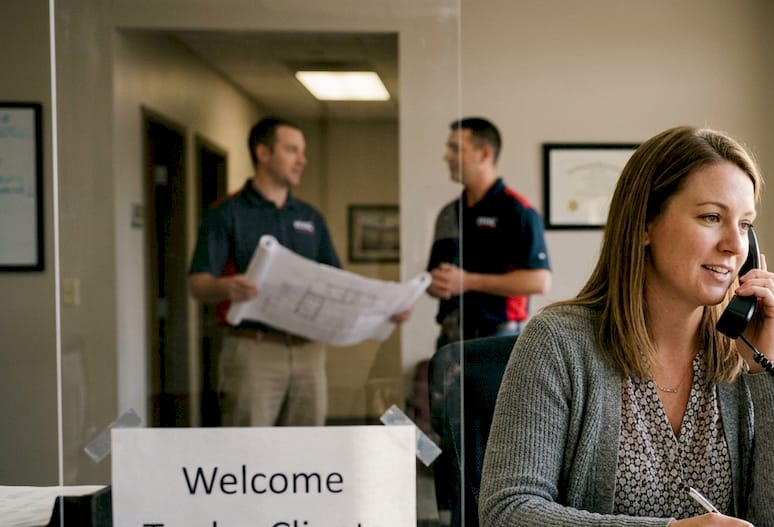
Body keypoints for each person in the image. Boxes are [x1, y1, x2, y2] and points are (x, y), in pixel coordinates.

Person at [478, 126, 774, 527]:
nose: (734, 244)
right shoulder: (560, 342)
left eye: (745, 225)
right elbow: (507, 517)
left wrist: (771, 371)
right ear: (645, 224)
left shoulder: (749, 347)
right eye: (710, 218)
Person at [188, 116, 409, 427]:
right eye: (292, 150)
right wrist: (226, 287)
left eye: (302, 152)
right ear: (263, 154)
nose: (302, 160)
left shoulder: (310, 217)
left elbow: (337, 285)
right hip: (254, 349)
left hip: (308, 353)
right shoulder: (227, 212)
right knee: (250, 450)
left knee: (307, 453)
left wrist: (386, 311)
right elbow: (197, 283)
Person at [426, 117, 551, 348]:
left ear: (484, 154)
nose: (447, 156)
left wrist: (468, 281)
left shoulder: (518, 211)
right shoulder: (448, 213)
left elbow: (539, 281)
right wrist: (432, 284)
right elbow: (434, 279)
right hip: (449, 339)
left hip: (497, 338)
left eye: (456, 149)